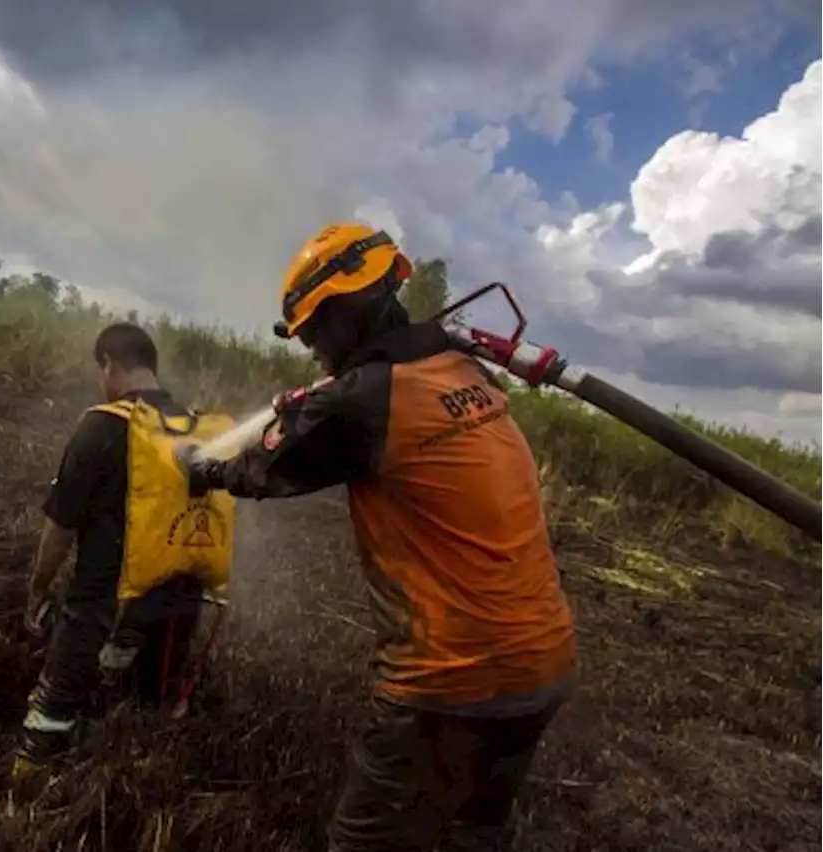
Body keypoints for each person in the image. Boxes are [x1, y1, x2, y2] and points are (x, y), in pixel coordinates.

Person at [183, 222, 577, 851]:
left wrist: (203, 469)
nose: (311, 348)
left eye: (314, 330)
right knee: (471, 833)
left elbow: (265, 469)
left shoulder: (362, 398)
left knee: (365, 841)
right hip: (544, 661)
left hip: (452, 675)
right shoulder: (463, 370)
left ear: (345, 313)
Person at [13, 321, 237, 789]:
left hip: (101, 604)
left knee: (52, 716)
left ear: (110, 365)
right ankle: (143, 792)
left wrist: (38, 587)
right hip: (177, 607)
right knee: (152, 715)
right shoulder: (191, 430)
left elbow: (60, 528)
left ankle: (30, 789)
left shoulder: (102, 426)